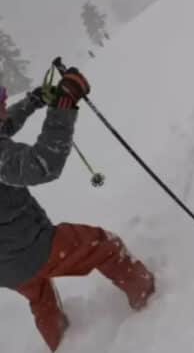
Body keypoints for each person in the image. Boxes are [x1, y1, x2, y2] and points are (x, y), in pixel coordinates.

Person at [0, 68, 155, 351]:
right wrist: (65, 104)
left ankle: (62, 344)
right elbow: (43, 165)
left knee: (39, 294)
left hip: (5, 265)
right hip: (28, 248)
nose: (4, 103)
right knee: (104, 246)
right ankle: (152, 301)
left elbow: (4, 124)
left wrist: (34, 100)